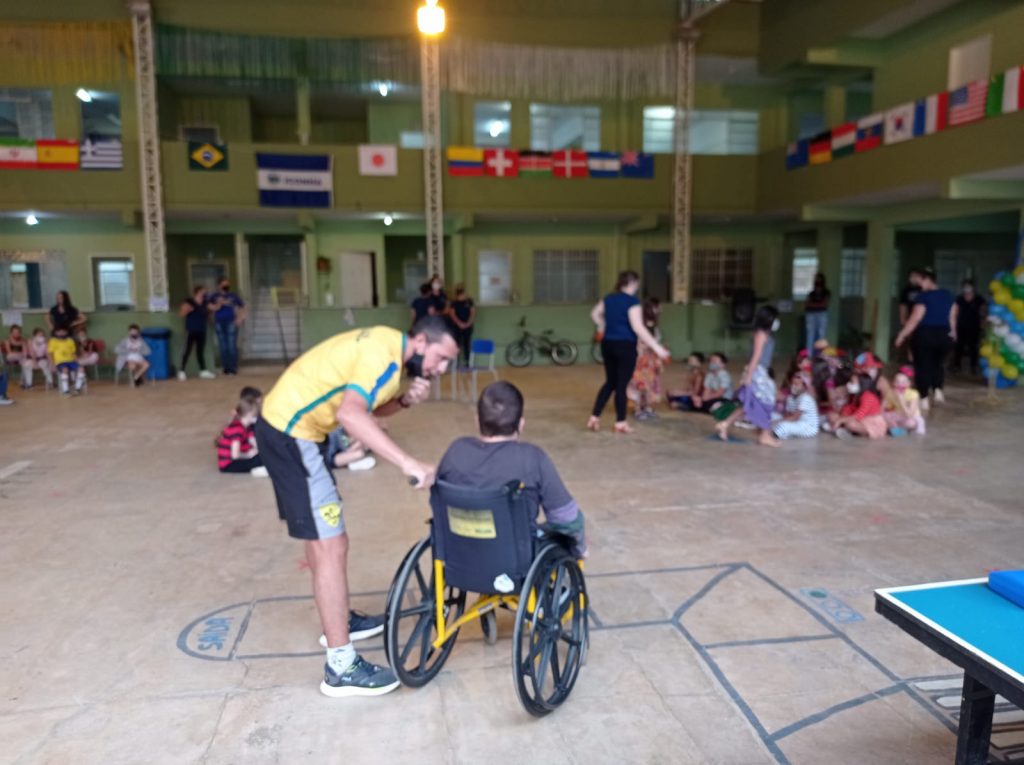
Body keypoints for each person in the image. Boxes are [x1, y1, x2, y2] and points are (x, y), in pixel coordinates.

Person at [254, 316, 459, 698]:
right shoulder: (383, 356)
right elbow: (350, 416)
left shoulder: (388, 350)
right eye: (442, 357)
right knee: (331, 544)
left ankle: (339, 618)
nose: (442, 369)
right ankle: (341, 666)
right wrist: (407, 463)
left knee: (326, 539)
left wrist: (402, 402)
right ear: (419, 341)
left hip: (295, 431)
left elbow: (363, 408)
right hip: (291, 433)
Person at [438, 381, 586, 557]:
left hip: (461, 557)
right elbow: (566, 518)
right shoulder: (532, 458)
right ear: (521, 424)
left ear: (477, 420)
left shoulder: (457, 450)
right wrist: (579, 547)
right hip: (514, 561)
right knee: (571, 523)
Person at [588, 271, 670, 434]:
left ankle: (594, 417)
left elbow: (594, 314)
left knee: (610, 382)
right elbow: (638, 328)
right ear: (633, 283)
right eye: (637, 284)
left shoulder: (609, 298)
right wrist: (657, 348)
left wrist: (603, 326)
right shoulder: (632, 302)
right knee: (621, 385)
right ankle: (620, 423)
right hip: (625, 346)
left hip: (608, 345)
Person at [716, 306, 781, 447]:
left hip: (760, 371)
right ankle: (764, 435)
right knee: (766, 403)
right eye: (775, 318)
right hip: (758, 372)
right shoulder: (761, 335)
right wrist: (749, 376)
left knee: (748, 405)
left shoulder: (764, 334)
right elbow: (756, 357)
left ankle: (725, 424)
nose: (777, 321)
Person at [894, 267, 956, 410]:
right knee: (937, 364)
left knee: (922, 366)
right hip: (944, 335)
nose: (919, 285)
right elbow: (952, 318)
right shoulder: (948, 295)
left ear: (928, 280)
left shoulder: (923, 297)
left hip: (925, 334)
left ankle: (923, 398)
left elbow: (915, 319)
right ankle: (938, 391)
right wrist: (953, 333)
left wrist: (901, 335)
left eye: (920, 281)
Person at [628, 299, 665, 421]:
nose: (660, 309)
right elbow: (638, 344)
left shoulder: (654, 326)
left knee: (651, 384)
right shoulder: (639, 326)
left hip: (651, 360)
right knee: (639, 384)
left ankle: (647, 407)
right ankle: (638, 408)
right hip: (640, 360)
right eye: (657, 307)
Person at [217, 389, 267, 476]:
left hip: (236, 460)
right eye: (255, 416)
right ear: (249, 415)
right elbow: (235, 455)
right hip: (229, 465)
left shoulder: (246, 427)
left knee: (265, 456)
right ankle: (259, 469)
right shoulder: (237, 429)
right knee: (260, 460)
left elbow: (253, 442)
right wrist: (248, 455)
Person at [829, 371, 888, 440]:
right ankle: (846, 430)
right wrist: (843, 415)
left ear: (861, 384)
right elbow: (849, 408)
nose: (849, 384)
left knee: (851, 424)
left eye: (852, 382)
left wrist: (841, 420)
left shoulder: (868, 396)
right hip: (858, 419)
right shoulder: (856, 395)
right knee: (832, 415)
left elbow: (859, 415)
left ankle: (849, 430)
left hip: (871, 422)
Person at [208, 278, 245, 375]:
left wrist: (240, 318)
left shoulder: (233, 296)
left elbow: (242, 306)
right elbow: (209, 307)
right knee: (222, 346)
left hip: (231, 321)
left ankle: (233, 368)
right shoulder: (214, 296)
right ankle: (226, 368)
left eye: (227, 284)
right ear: (219, 285)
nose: (226, 286)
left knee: (231, 345)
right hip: (219, 322)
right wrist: (216, 307)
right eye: (224, 284)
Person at [179, 285, 215, 381]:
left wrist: (219, 303)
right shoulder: (189, 301)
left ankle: (203, 371)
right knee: (187, 350)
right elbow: (181, 314)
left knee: (200, 351)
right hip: (191, 329)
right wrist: (187, 310)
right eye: (204, 291)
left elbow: (212, 310)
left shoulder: (205, 303)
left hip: (202, 330)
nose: (205, 293)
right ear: (198, 292)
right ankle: (181, 371)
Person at [952, 279, 987, 376]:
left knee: (973, 347)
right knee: (959, 346)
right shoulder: (959, 299)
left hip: (974, 326)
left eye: (969, 286)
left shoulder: (979, 299)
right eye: (965, 286)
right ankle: (956, 366)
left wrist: (983, 322)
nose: (967, 288)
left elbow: (983, 311)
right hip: (961, 326)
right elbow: (955, 312)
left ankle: (973, 366)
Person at [772, 371, 820, 441]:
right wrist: (778, 420)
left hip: (808, 427)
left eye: (796, 384)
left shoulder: (805, 398)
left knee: (783, 426)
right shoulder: (790, 398)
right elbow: (787, 414)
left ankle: (772, 435)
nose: (793, 386)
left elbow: (796, 417)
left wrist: (778, 422)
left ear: (804, 386)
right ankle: (779, 431)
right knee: (774, 416)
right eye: (792, 384)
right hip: (796, 422)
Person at [884, 368, 926, 436]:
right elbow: (884, 408)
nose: (900, 385)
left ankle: (898, 429)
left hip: (911, 416)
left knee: (910, 423)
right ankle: (896, 429)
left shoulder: (914, 394)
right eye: (897, 382)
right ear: (893, 383)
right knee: (884, 416)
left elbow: (909, 415)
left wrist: (901, 400)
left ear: (909, 383)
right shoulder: (891, 393)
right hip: (898, 415)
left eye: (903, 382)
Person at [48, 327, 85, 396]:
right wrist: (52, 364)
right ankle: (66, 391)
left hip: (71, 361)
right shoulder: (53, 341)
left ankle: (77, 388)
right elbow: (50, 353)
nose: (61, 333)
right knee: (65, 369)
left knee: (81, 368)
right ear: (56, 333)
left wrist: (77, 361)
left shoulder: (70, 341)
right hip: (60, 362)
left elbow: (73, 353)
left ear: (66, 332)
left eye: (63, 331)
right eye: (59, 331)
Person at [804, 273, 831, 359]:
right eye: (816, 279)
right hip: (811, 315)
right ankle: (809, 358)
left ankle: (820, 358)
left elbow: (824, 305)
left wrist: (813, 305)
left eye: (819, 279)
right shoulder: (811, 293)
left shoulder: (826, 292)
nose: (818, 282)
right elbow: (807, 305)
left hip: (821, 315)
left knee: (821, 336)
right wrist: (818, 305)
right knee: (810, 337)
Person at [449, 284, 476, 364]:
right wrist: (459, 323)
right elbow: (452, 314)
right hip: (457, 327)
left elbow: (473, 313)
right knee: (457, 344)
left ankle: (468, 362)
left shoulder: (469, 301)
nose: (464, 295)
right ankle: (456, 363)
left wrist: (468, 323)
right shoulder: (454, 302)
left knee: (467, 344)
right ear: (459, 294)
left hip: (468, 326)